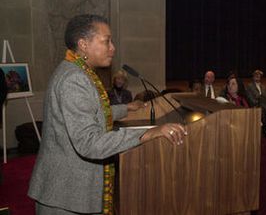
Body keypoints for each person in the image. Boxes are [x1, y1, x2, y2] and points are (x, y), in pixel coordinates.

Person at [28, 14, 187, 215]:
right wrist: (149, 133)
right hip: (65, 196)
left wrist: (126, 108)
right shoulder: (74, 79)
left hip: (70, 190)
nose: (113, 48)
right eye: (107, 41)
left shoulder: (78, 71)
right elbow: (89, 142)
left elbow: (88, 112)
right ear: (83, 44)